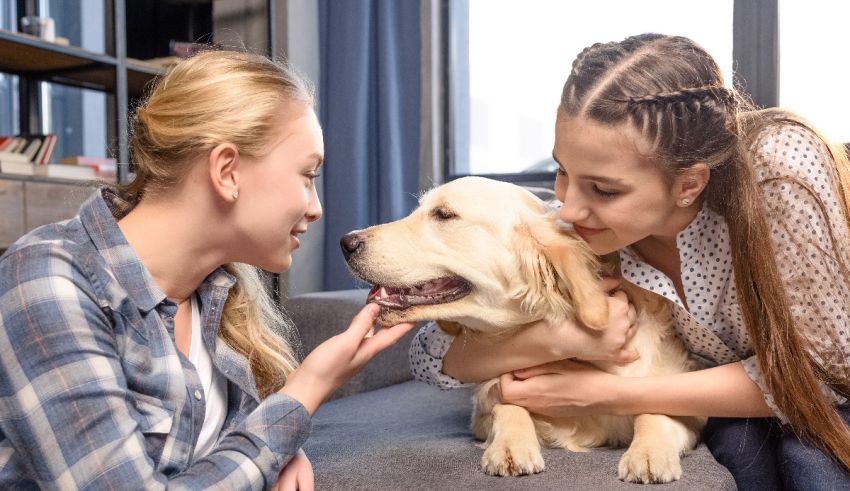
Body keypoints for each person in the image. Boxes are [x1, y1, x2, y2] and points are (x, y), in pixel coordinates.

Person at [410, 33, 850, 489]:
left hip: (821, 389)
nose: (569, 209)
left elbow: (825, 374)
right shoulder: (581, 236)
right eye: (563, 171)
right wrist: (556, 341)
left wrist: (608, 394)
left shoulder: (780, 169)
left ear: (689, 184)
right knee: (745, 457)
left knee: (814, 465)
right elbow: (430, 358)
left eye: (604, 190)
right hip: (723, 401)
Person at [0, 50, 415, 489]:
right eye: (307, 176)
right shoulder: (46, 281)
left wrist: (280, 445)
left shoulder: (215, 293)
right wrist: (304, 393)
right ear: (226, 171)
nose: (316, 209)